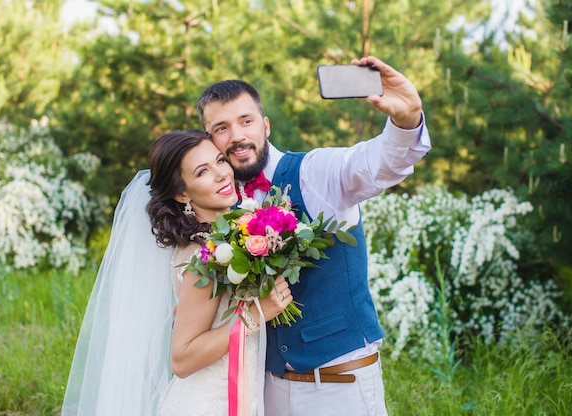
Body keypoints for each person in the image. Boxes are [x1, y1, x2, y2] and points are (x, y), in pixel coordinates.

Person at [196, 56, 432, 416]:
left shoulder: (315, 172)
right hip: (266, 391)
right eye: (221, 128)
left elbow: (378, 163)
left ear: (266, 125)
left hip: (340, 386)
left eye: (246, 121)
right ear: (210, 140)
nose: (237, 136)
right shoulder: (223, 207)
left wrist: (406, 119)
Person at [62, 129, 292, 416]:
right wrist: (257, 314)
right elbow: (182, 358)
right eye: (202, 172)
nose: (222, 174)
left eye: (220, 161)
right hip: (209, 404)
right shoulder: (204, 257)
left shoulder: (224, 242)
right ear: (182, 193)